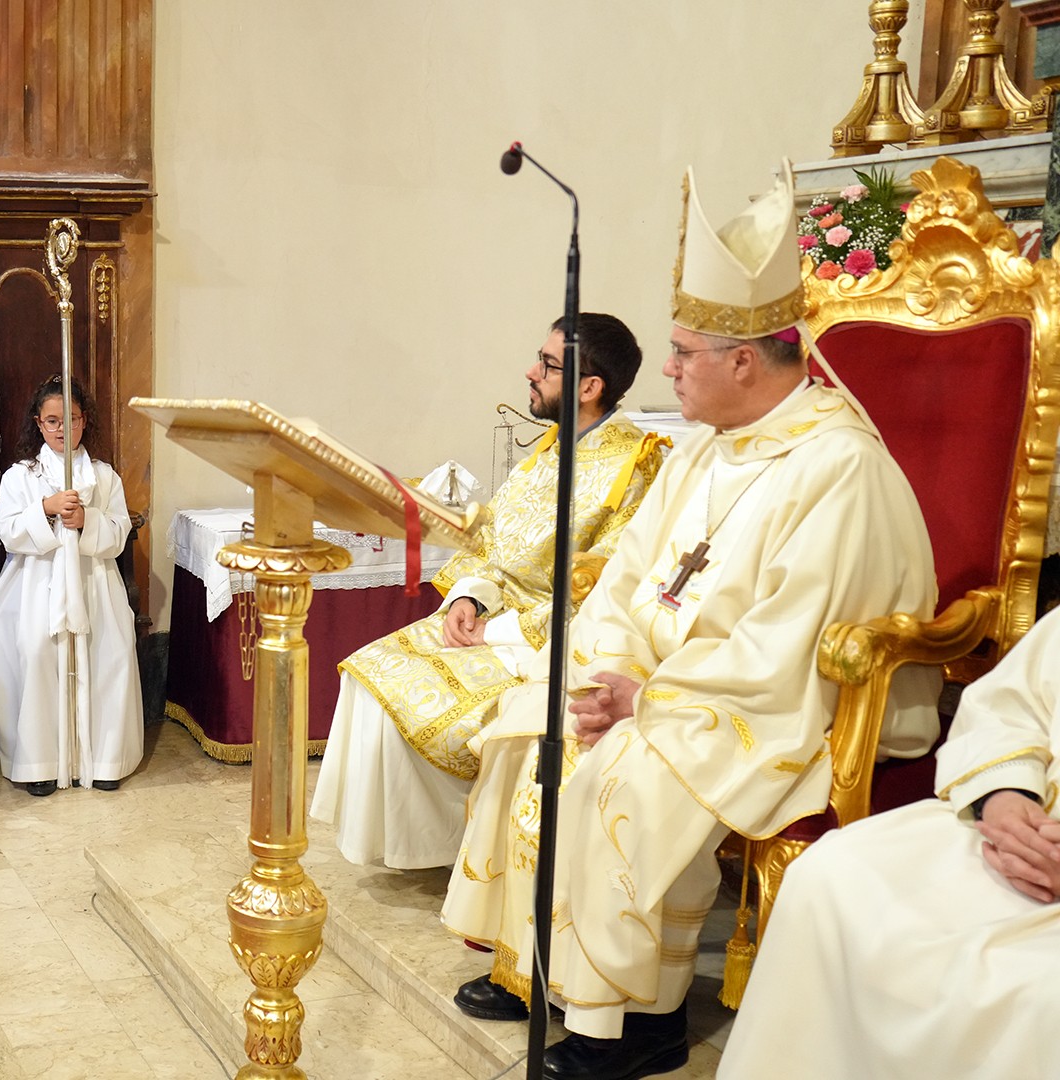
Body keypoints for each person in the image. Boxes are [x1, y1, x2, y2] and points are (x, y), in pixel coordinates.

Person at [439, 162, 942, 1080]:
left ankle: (638, 1021)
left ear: (742, 360)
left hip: (776, 699)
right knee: (531, 721)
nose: (666, 369)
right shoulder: (705, 450)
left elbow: (793, 640)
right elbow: (628, 580)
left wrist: (650, 697)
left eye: (680, 353)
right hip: (666, 678)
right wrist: (609, 673)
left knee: (621, 774)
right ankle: (537, 968)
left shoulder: (836, 466)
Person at [311, 313, 663, 869]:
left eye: (548, 365)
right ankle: (410, 843)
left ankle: (452, 848)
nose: (531, 372)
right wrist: (467, 598)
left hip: (547, 639)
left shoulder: (635, 466)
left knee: (404, 696)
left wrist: (499, 630)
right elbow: (492, 538)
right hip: (493, 615)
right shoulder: (550, 450)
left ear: (589, 387)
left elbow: (608, 585)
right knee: (366, 671)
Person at [717, 608, 1060, 1079]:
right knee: (831, 875)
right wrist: (1003, 793)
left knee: (1033, 992)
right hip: (1018, 827)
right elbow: (1010, 706)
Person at [0, 376, 143, 797]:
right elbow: (8, 532)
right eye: (51, 421)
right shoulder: (21, 476)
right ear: (38, 423)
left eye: (70, 419)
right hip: (37, 584)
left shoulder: (104, 477)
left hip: (94, 584)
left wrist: (88, 521)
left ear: (83, 421)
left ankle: (104, 759)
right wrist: (46, 509)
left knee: (107, 656)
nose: (61, 429)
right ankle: (40, 763)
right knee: (37, 655)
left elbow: (119, 532)